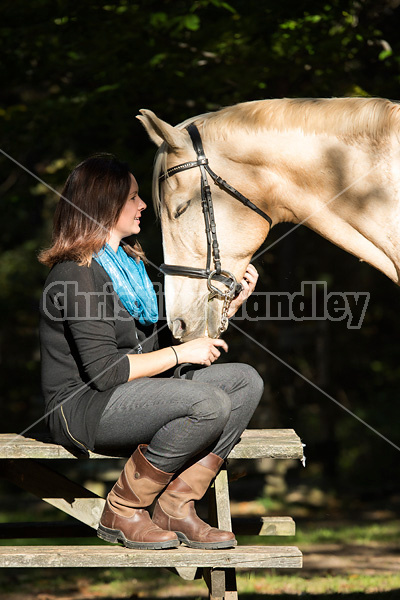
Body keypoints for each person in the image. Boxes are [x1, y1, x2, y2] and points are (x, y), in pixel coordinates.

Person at [39, 153, 264, 550]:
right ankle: (124, 510)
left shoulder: (133, 266)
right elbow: (106, 372)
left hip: (134, 394)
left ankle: (177, 506)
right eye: (133, 197)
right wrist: (181, 356)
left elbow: (174, 341)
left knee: (244, 381)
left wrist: (232, 304)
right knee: (208, 402)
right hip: (83, 407)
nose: (143, 205)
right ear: (104, 203)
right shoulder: (74, 272)